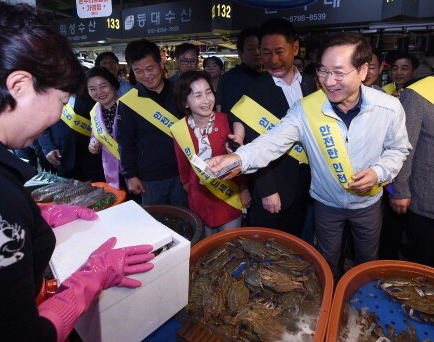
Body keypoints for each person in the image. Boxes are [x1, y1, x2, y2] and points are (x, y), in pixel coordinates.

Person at [0, 2, 155, 341]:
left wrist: (34, 217)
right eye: (62, 101)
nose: (60, 114)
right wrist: (89, 280)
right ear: (19, 86)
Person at [208, 32, 410, 278]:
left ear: (363, 70)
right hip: (326, 204)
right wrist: (238, 159)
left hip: (367, 204)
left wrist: (379, 172)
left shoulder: (388, 107)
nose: (329, 81)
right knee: (326, 262)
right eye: (323, 71)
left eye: (339, 72)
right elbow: (273, 141)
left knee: (367, 261)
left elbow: (398, 150)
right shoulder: (306, 108)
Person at [228, 18, 317, 237]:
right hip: (275, 183)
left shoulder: (310, 83)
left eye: (279, 51)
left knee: (298, 242)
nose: (273, 60)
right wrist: (267, 190)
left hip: (308, 180)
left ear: (295, 48)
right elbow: (253, 143)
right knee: (268, 245)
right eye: (266, 52)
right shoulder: (254, 91)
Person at [172, 71, 250, 236]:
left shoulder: (226, 121)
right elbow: (183, 168)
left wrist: (244, 188)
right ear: (185, 102)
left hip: (228, 198)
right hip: (199, 199)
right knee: (207, 248)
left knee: (231, 245)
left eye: (208, 92)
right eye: (198, 95)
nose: (206, 100)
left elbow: (240, 158)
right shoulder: (180, 129)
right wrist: (190, 188)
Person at [116, 39, 188, 206]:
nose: (147, 76)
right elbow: (125, 142)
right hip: (149, 177)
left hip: (182, 173)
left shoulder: (180, 91)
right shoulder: (128, 102)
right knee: (155, 223)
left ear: (161, 63)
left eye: (150, 68)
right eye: (138, 71)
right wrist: (131, 175)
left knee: (187, 220)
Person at [389, 76, 434, 267]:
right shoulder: (420, 93)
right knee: (425, 263)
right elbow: (404, 147)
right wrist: (400, 190)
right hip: (427, 198)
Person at [38, 90, 105, 182]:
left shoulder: (90, 94)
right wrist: (48, 148)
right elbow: (42, 127)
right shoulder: (48, 98)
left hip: (91, 157)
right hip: (62, 156)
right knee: (67, 193)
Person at [86, 66, 125, 190]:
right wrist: (93, 144)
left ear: (113, 85)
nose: (99, 92)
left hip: (135, 170)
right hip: (111, 170)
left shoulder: (128, 107)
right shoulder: (94, 112)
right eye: (92, 89)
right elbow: (95, 135)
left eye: (103, 86)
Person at [215, 27, 263, 114]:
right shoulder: (229, 79)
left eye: (260, 47)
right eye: (250, 49)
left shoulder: (271, 77)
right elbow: (222, 111)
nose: (257, 52)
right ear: (240, 53)